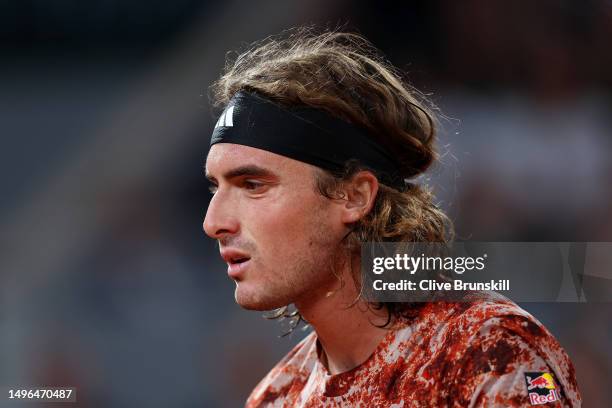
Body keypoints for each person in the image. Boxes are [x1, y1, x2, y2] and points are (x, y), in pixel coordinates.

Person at [203, 29, 581, 407]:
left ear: (353, 196)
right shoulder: (276, 397)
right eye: (214, 188)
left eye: (253, 185)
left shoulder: (489, 350)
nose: (213, 221)